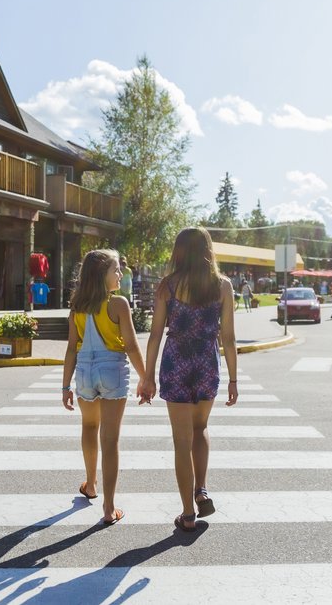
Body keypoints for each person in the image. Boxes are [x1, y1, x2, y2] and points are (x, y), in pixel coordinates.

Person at [137, 227, 238, 532]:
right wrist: (233, 379)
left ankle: (187, 513)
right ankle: (202, 490)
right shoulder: (223, 286)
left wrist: (147, 376)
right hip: (207, 362)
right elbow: (229, 338)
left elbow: (155, 335)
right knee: (201, 427)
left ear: (179, 251)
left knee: (182, 441)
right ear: (208, 250)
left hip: (176, 362)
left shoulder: (167, 286)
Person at [62, 249, 146, 526]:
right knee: (110, 439)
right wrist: (146, 378)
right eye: (116, 270)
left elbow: (72, 348)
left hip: (84, 372)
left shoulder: (77, 306)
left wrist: (65, 386)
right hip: (112, 370)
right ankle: (109, 508)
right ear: (102, 275)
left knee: (89, 427)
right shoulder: (118, 304)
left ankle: (91, 485)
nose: (120, 274)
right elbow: (132, 346)